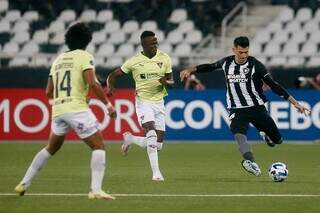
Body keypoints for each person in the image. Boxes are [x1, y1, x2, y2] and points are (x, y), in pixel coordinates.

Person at [180, 36, 310, 177]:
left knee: (278, 140)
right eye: (241, 52)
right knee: (238, 133)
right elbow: (210, 67)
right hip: (236, 109)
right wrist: (190, 70)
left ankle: (266, 135)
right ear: (234, 50)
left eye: (246, 52)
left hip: (257, 108)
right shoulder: (226, 62)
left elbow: (274, 85)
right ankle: (251, 162)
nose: (244, 55)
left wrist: (295, 103)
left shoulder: (256, 65)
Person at [14, 22, 117, 200]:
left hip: (59, 109)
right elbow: (92, 83)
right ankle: (95, 190)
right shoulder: (85, 56)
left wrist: (63, 101)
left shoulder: (58, 60)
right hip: (76, 109)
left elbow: (48, 91)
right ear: (87, 40)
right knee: (98, 145)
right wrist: (108, 106)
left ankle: (23, 183)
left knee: (51, 148)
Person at [106, 31, 173, 181]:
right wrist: (110, 86)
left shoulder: (165, 58)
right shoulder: (134, 61)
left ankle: (130, 139)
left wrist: (166, 83)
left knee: (158, 145)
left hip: (159, 102)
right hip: (143, 102)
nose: (155, 45)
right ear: (143, 45)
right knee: (151, 133)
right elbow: (113, 75)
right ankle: (156, 174)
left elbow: (171, 81)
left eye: (156, 42)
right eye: (152, 43)